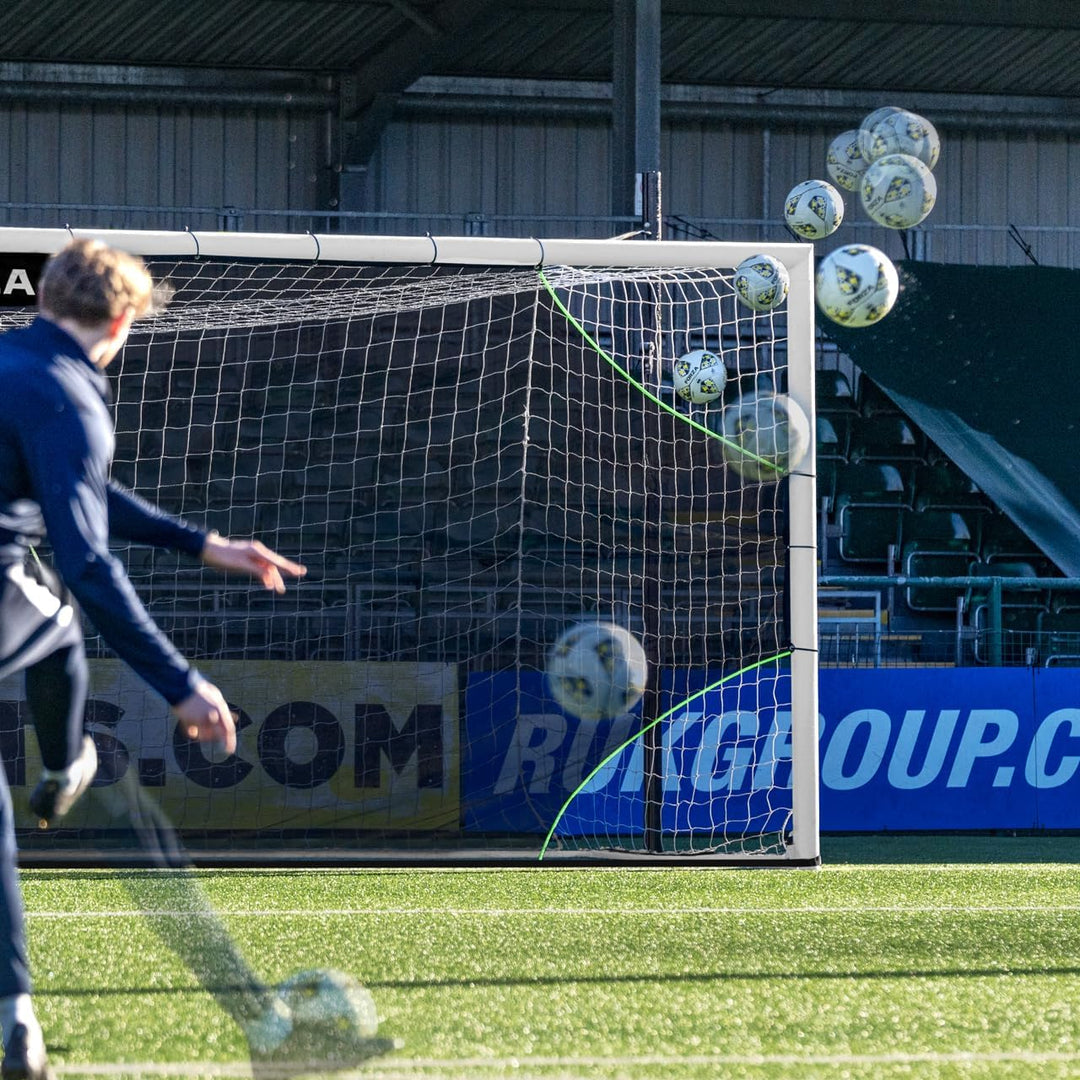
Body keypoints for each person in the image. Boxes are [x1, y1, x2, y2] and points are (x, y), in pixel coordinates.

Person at [0, 238, 309, 1079]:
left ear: (44, 299)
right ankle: (64, 766)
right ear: (124, 319)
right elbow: (88, 558)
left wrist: (203, 542)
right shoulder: (69, 393)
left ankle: (16, 1016)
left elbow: (79, 488)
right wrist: (182, 683)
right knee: (59, 615)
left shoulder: (14, 361)